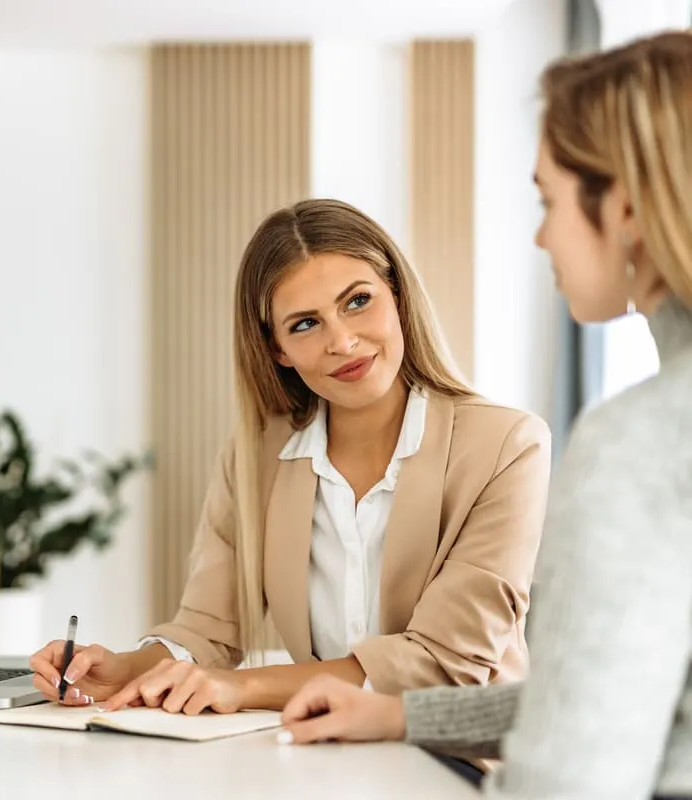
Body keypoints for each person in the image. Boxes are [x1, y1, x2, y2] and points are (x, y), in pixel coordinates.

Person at [276, 30, 692, 800]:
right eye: (302, 324)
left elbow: (569, 779)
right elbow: (623, 700)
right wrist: (398, 716)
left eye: (548, 199)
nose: (538, 233)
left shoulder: (635, 441)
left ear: (626, 209)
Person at [29, 198, 551, 750]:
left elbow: (446, 664)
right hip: (320, 759)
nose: (342, 341)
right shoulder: (254, 457)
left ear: (397, 295)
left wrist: (243, 686)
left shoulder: (506, 445)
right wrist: (127, 667)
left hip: (466, 764)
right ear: (277, 349)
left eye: (358, 301)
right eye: (306, 324)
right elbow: (207, 627)